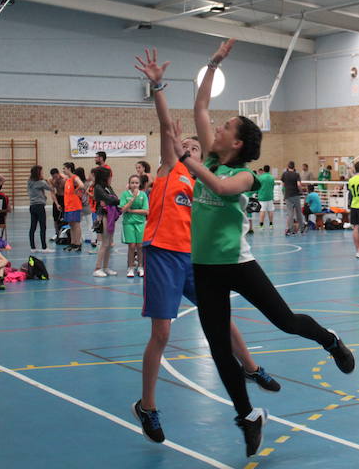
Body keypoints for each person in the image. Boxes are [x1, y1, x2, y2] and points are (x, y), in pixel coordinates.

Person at [161, 39, 354, 457]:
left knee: (284, 321)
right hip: (205, 267)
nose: (217, 128)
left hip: (237, 265)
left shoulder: (245, 177)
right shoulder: (210, 156)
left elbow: (219, 187)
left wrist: (186, 160)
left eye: (225, 127)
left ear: (237, 144)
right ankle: (248, 416)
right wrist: (211, 64)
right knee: (217, 348)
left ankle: (330, 340)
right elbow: (200, 108)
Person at [132, 44, 283, 446]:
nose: (196, 148)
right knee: (162, 334)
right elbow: (168, 126)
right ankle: (147, 406)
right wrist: (159, 88)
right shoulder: (170, 170)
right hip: (163, 253)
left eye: (200, 148)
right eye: (190, 148)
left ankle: (250, 366)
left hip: (196, 258)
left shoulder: (206, 174)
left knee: (221, 316)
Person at [91, 166, 120, 278]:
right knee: (105, 243)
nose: (111, 178)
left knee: (108, 244)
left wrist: (113, 200)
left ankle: (106, 267)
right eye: (109, 176)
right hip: (103, 216)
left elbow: (114, 198)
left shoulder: (108, 187)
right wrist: (114, 200)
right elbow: (111, 199)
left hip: (111, 216)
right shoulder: (98, 188)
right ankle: (97, 268)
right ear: (105, 177)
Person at [120, 174, 149, 278]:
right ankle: (130, 267)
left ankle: (140, 266)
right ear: (129, 184)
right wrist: (132, 199)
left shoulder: (143, 195)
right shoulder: (125, 195)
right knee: (132, 246)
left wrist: (131, 210)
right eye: (132, 183)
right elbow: (123, 209)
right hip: (128, 223)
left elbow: (146, 211)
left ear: (139, 184)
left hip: (140, 223)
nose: (134, 185)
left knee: (140, 246)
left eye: (136, 183)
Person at [28, 165, 59, 253]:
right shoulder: (41, 182)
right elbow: (51, 188)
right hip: (39, 206)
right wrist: (51, 181)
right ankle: (44, 247)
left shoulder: (29, 182)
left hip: (32, 206)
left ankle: (33, 247)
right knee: (43, 227)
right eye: (41, 172)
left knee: (33, 227)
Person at [62, 162, 85, 252]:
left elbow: (82, 185)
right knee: (71, 225)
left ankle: (78, 244)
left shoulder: (74, 178)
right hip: (68, 206)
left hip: (75, 206)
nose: (63, 170)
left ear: (69, 169)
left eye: (64, 168)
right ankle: (72, 243)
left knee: (76, 225)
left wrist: (77, 190)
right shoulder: (68, 179)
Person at [281, 161, 304, 235]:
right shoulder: (296, 174)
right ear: (294, 167)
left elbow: (282, 185)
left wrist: (284, 194)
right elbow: (298, 184)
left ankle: (291, 229)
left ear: (288, 167)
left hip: (288, 195)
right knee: (298, 212)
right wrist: (301, 191)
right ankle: (301, 228)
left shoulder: (284, 174)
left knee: (290, 213)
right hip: (296, 195)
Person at [256, 165, 275, 230]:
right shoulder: (272, 177)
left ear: (263, 170)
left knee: (262, 211)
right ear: (269, 170)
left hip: (262, 196)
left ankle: (261, 225)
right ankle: (271, 225)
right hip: (270, 196)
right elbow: (273, 186)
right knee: (270, 210)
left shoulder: (260, 177)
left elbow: (257, 186)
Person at [49, 167, 66, 240]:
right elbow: (52, 193)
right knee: (55, 218)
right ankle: (57, 233)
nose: (55, 178)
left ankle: (66, 233)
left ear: (59, 174)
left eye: (56, 176)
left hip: (65, 198)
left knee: (66, 217)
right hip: (57, 197)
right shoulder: (51, 180)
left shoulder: (64, 179)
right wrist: (56, 204)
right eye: (53, 177)